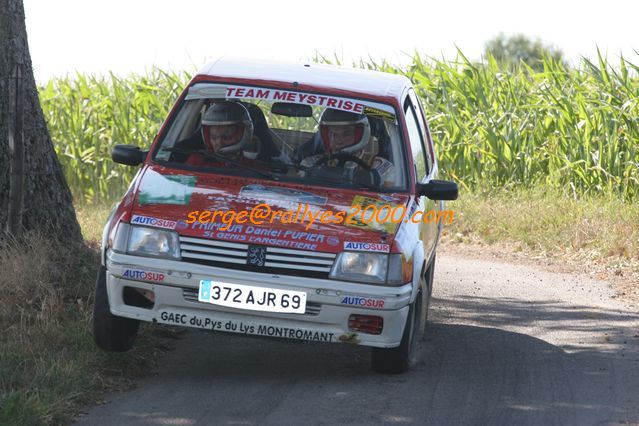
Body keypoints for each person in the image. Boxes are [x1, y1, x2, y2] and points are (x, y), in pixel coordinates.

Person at [299, 109, 395, 186]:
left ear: (361, 134)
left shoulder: (380, 166)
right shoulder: (311, 163)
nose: (339, 140)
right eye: (334, 135)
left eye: (346, 134)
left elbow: (390, 199)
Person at [185, 101, 257, 167]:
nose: (219, 142)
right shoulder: (196, 161)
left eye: (226, 137)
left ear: (242, 136)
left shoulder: (254, 168)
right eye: (214, 137)